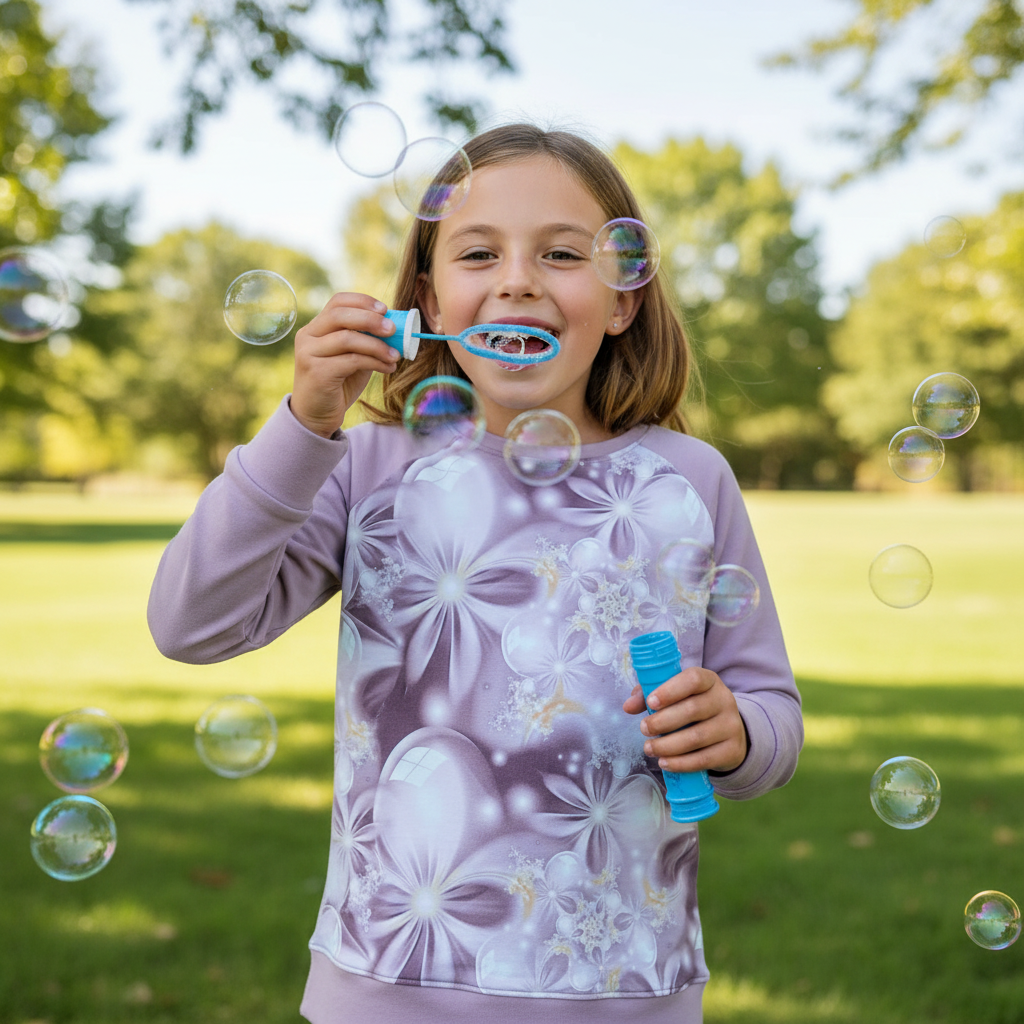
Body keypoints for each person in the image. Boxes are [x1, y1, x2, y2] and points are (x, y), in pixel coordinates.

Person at [148, 122, 803, 1024]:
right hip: (384, 989)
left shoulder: (687, 486)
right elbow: (192, 624)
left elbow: (770, 713)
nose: (519, 278)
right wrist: (302, 426)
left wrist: (736, 734)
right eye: (479, 252)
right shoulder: (364, 470)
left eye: (563, 253)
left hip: (625, 992)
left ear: (622, 300)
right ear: (430, 299)